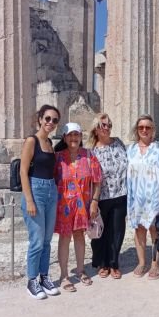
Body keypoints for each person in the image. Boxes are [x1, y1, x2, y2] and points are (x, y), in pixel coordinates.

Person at [127, 114, 159, 280]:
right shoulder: (130, 150)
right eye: (141, 127)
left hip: (156, 198)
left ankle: (155, 264)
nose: (144, 130)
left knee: (155, 230)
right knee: (139, 229)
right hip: (136, 197)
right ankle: (142, 262)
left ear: (153, 130)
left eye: (147, 127)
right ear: (137, 129)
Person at [54, 122, 102, 292]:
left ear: (81, 136)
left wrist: (94, 201)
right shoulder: (57, 158)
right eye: (70, 135)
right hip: (64, 206)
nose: (73, 138)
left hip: (83, 205)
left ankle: (81, 271)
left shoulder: (89, 156)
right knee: (65, 238)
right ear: (64, 138)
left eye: (76, 134)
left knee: (80, 236)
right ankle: (64, 276)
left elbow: (97, 180)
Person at [20, 104, 61, 299]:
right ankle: (31, 281)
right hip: (35, 190)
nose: (50, 123)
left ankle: (44, 277)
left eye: (54, 120)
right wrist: (29, 200)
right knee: (36, 240)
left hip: (51, 190)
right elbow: (23, 171)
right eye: (47, 118)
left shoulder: (50, 143)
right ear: (40, 119)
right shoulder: (32, 141)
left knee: (46, 240)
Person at [88, 113, 128, 279]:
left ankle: (113, 263)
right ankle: (102, 263)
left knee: (117, 230)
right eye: (103, 125)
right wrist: (92, 200)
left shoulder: (118, 143)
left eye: (109, 125)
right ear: (96, 129)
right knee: (100, 231)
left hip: (121, 193)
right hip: (101, 196)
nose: (107, 128)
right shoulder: (92, 151)